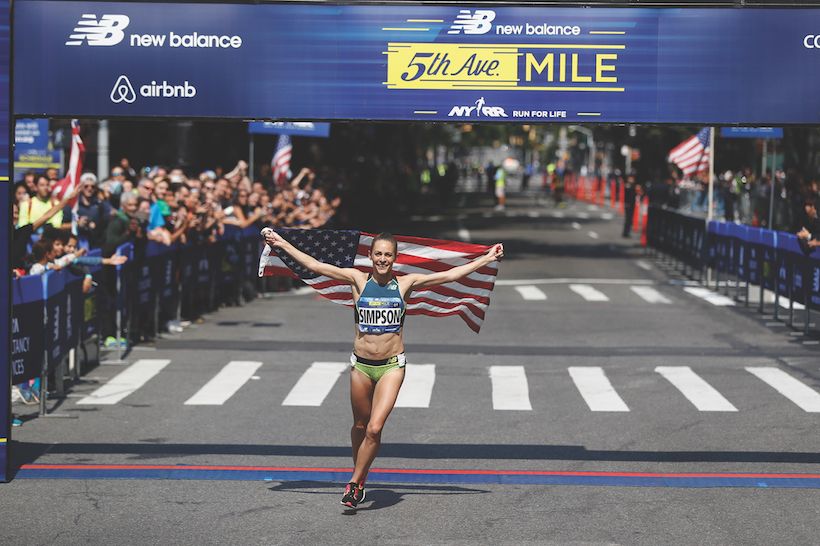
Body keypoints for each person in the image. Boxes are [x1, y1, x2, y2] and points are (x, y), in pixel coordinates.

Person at [261, 229, 503, 510]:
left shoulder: (405, 284)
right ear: (370, 255)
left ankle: (353, 484)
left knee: (374, 429)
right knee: (360, 426)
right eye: (378, 254)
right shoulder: (357, 279)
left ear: (395, 258)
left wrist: (486, 259)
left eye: (388, 255)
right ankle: (361, 477)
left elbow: (449, 276)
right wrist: (280, 243)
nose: (383, 259)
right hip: (361, 367)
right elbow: (315, 266)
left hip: (391, 366)